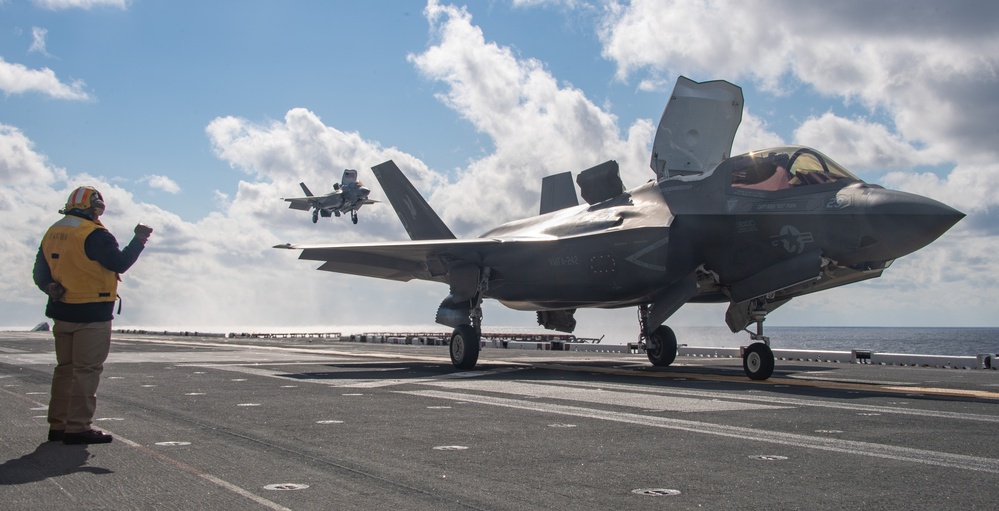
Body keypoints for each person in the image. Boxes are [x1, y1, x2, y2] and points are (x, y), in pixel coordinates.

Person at [32, 186, 152, 445]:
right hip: (92, 314)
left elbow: (40, 273)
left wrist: (49, 287)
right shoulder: (94, 234)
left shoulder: (54, 232)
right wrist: (139, 239)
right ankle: (78, 427)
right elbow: (119, 263)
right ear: (93, 208)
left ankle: (58, 426)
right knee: (86, 371)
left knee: (65, 370)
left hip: (61, 312)